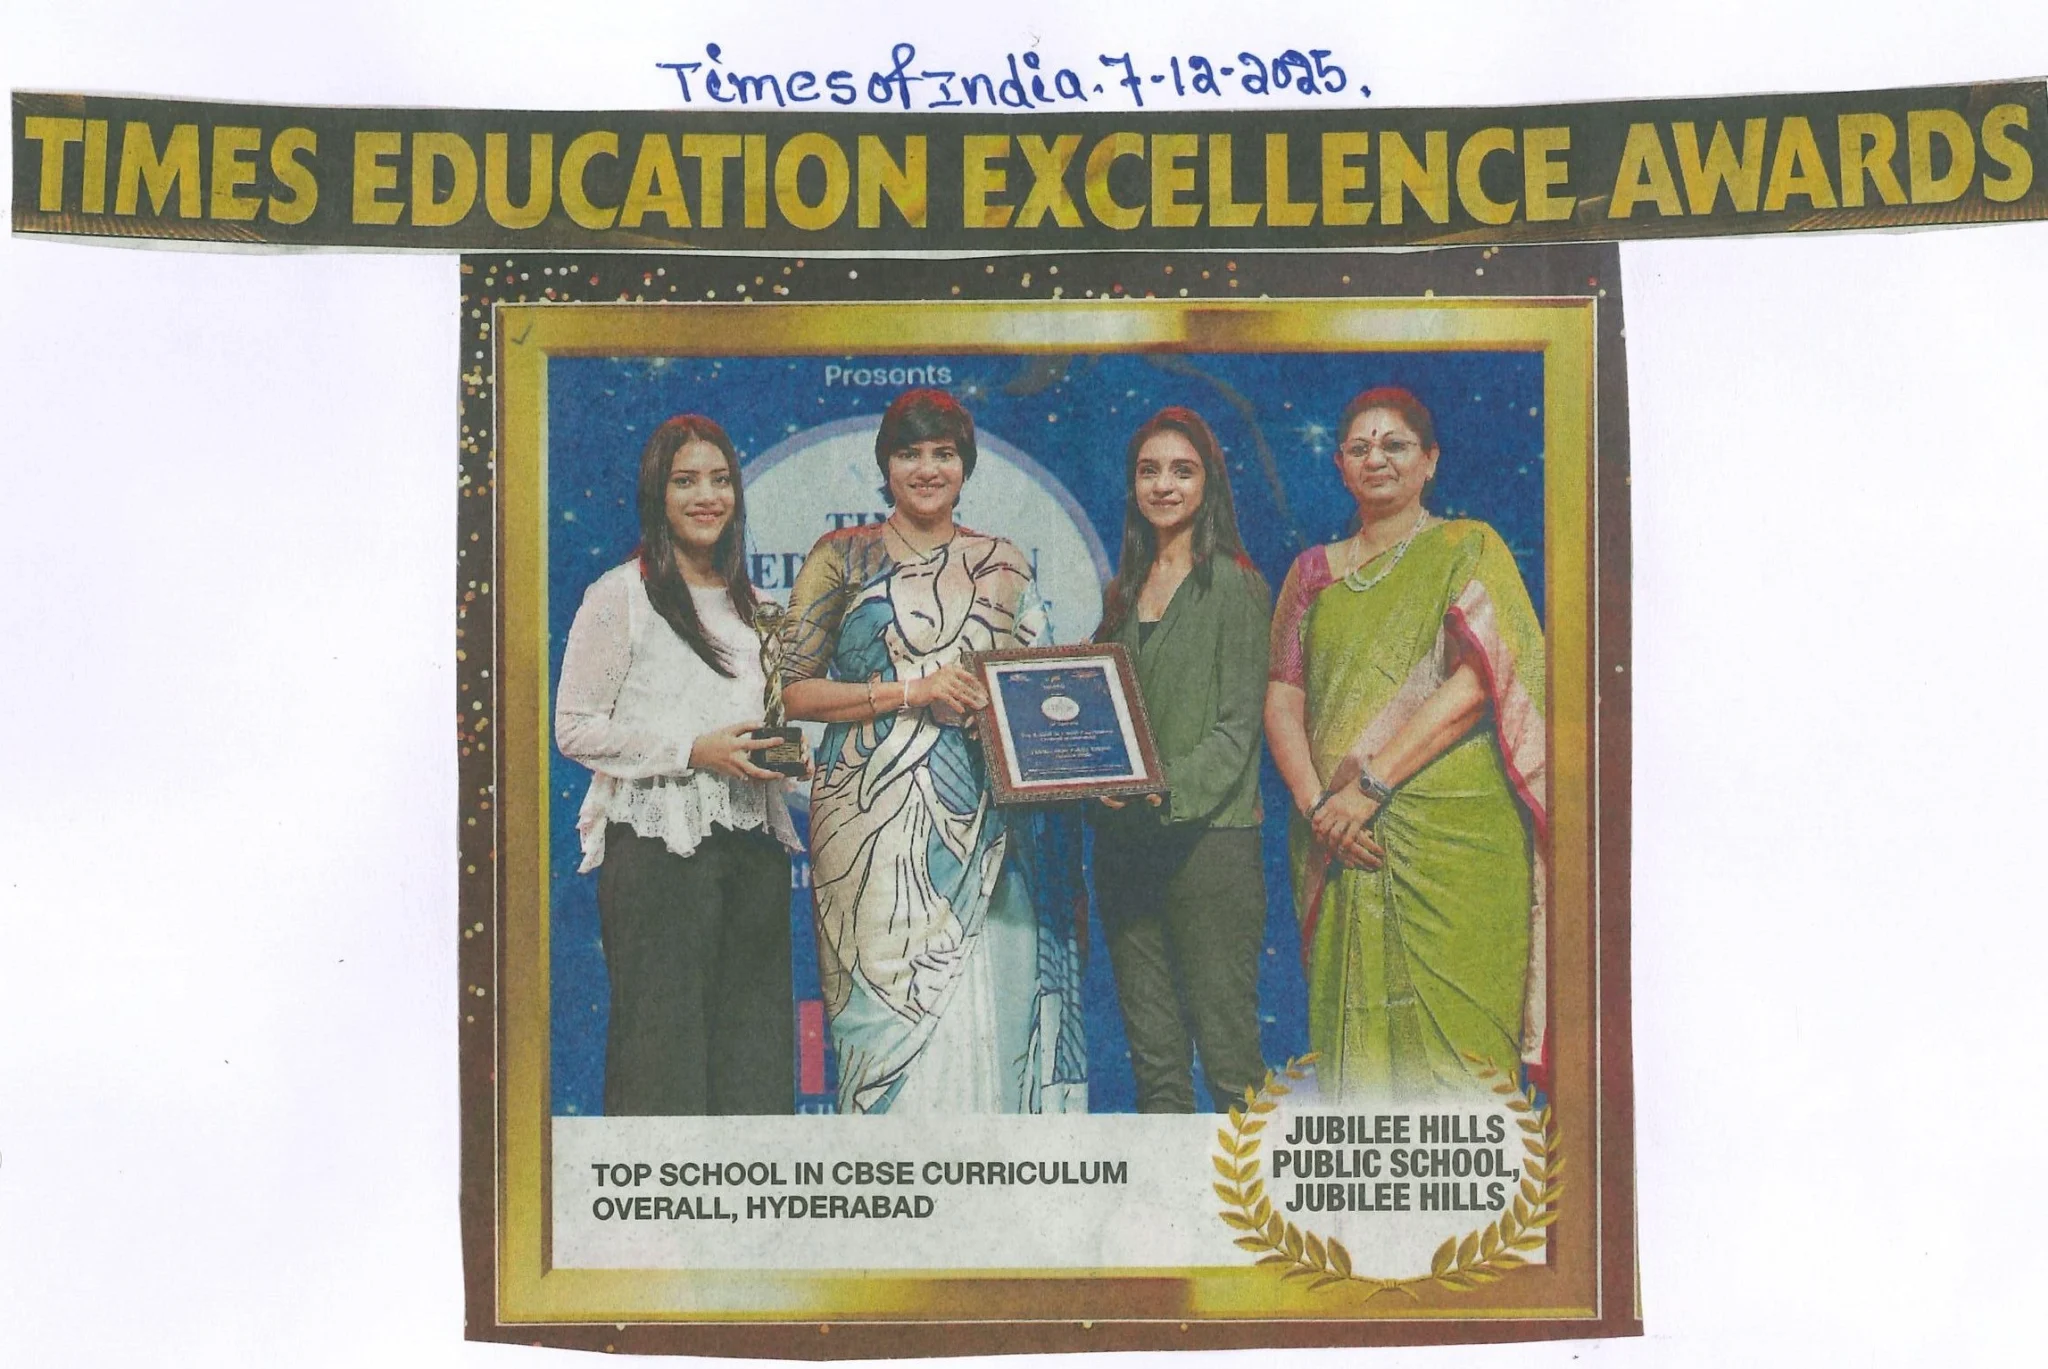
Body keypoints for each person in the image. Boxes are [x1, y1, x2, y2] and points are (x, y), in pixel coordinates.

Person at [781, 389, 1086, 1116]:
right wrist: (911, 691)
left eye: (943, 453)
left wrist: (1077, 753)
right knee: (884, 1022)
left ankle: (991, 1181)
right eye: (909, 453)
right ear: (885, 465)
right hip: (869, 833)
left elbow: (1039, 692)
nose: (927, 469)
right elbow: (793, 693)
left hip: (990, 822)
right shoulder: (839, 558)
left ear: (965, 465)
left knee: (995, 1002)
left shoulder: (1003, 565)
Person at [1263, 387, 1549, 1101]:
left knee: (1464, 1059)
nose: (1377, 459)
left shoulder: (1468, 548)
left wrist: (1369, 787)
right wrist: (1318, 808)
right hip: (1340, 838)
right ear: (1339, 464)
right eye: (1359, 447)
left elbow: (1480, 682)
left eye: (1395, 445)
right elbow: (1283, 697)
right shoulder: (1311, 574)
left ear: (1430, 461)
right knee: (1357, 1064)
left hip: (1459, 843)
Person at [554, 414, 802, 1116]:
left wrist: (786, 757)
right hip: (658, 853)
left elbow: (766, 717)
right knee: (662, 1068)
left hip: (752, 850)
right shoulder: (620, 595)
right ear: (657, 495)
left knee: (754, 1069)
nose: (706, 497)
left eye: (720, 480)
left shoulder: (761, 608)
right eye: (685, 481)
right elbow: (574, 727)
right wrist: (693, 749)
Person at [1089, 407, 1271, 1113]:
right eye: (1149, 470)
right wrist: (1093, 782)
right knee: (1156, 1067)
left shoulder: (1236, 585)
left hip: (1210, 848)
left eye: (1181, 470)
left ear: (1208, 483)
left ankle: (1251, 1191)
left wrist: (1154, 789)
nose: (1163, 485)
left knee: (1230, 1061)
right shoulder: (1123, 592)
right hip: (1126, 849)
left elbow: (1236, 732)